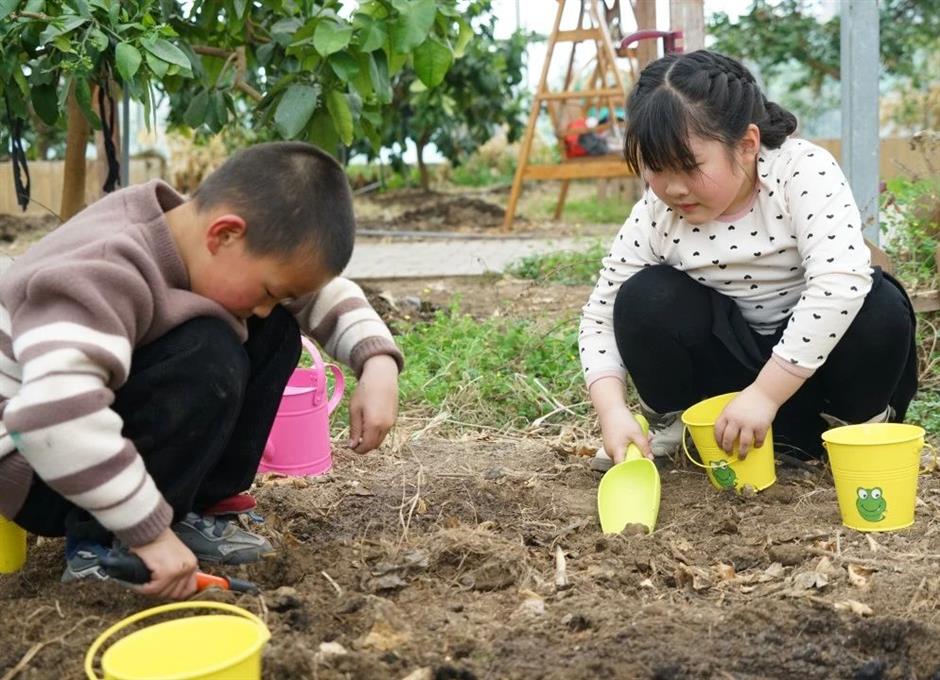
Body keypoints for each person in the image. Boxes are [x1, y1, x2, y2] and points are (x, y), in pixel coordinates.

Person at [0, 142, 403, 599]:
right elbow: (50, 416)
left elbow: (313, 292)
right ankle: (103, 546)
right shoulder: (106, 266)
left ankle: (185, 510)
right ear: (225, 235)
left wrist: (377, 362)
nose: (268, 305)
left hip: (77, 442)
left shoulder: (193, 234)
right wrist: (148, 533)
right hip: (36, 464)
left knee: (274, 331)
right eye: (268, 289)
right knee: (209, 351)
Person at [580, 50, 917, 472]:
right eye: (655, 167)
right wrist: (611, 411)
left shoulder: (801, 171)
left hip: (814, 386)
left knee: (877, 303)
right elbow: (600, 316)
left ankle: (854, 435)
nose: (673, 187)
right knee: (645, 297)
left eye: (689, 166)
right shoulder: (655, 213)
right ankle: (675, 429)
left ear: (746, 146)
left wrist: (766, 396)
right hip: (725, 404)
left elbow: (839, 283)